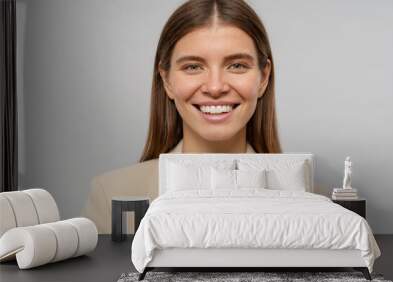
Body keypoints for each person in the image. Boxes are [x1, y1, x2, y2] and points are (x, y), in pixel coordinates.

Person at [82, 0, 282, 234]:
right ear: (166, 80)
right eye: (193, 67)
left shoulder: (317, 200)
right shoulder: (111, 195)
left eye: (236, 65)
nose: (215, 87)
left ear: (264, 78)